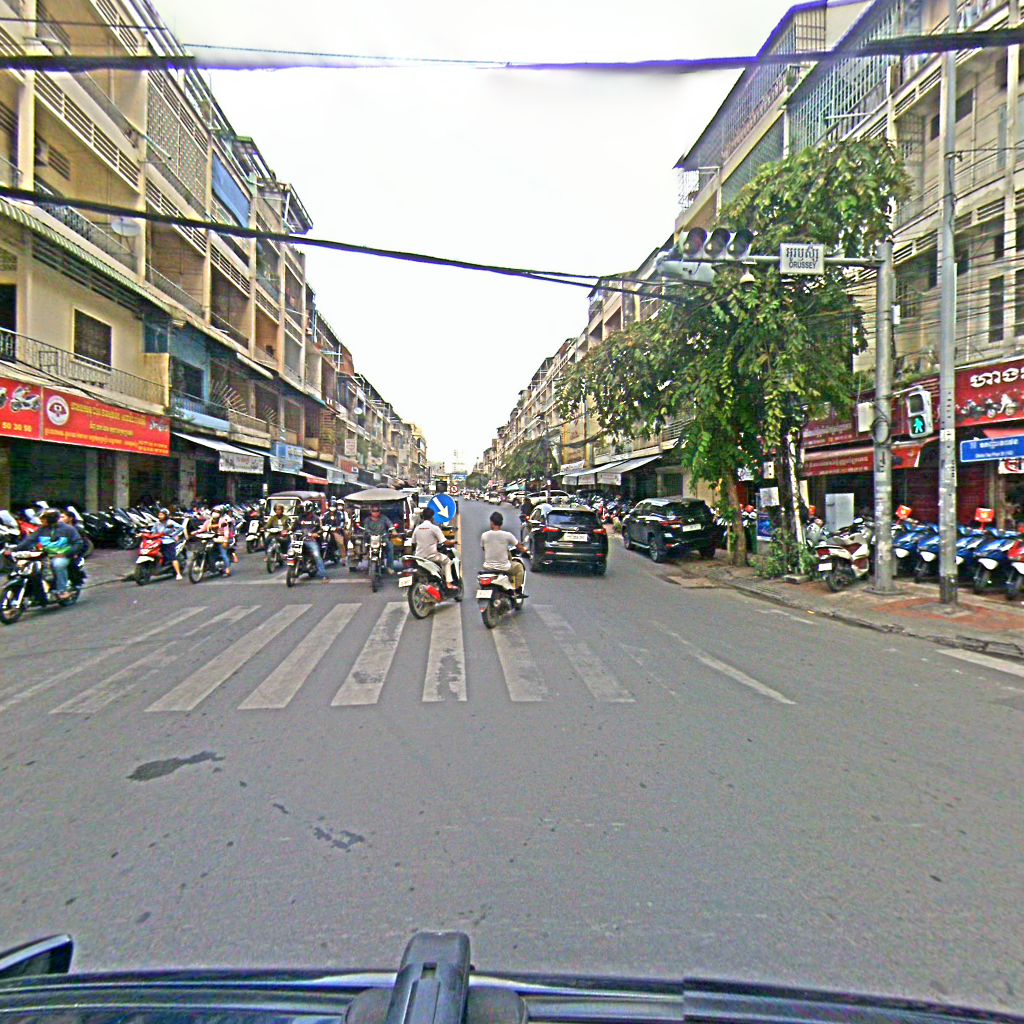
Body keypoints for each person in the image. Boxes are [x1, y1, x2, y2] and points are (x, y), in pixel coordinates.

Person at [13, 507, 82, 599]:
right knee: (29, 566)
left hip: (63, 555)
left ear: (50, 519)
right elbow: (30, 540)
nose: (41, 520)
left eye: (43, 519)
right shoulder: (41, 529)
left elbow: (78, 543)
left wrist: (67, 553)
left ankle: (62, 591)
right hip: (45, 555)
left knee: (58, 565)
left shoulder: (68, 529)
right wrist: (15, 549)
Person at [481, 510, 528, 595]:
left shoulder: (484, 535)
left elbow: (483, 548)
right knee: (519, 567)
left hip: (488, 567)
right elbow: (519, 547)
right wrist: (525, 550)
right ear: (501, 523)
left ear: (491, 522)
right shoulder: (507, 535)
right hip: (503, 567)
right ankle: (517, 591)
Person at [412, 506, 455, 587]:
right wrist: (453, 542)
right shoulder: (434, 528)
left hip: (419, 557)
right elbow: (445, 542)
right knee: (447, 561)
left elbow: (413, 543)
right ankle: (448, 583)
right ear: (432, 517)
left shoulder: (417, 528)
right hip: (432, 556)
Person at [295, 500, 328, 580]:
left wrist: (315, 534)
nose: (302, 510)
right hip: (299, 540)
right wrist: (287, 531)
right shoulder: (299, 518)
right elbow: (293, 527)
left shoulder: (316, 518)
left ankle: (323, 575)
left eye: (303, 508)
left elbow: (320, 529)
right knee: (291, 551)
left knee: (316, 555)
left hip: (310, 540)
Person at [152, 508, 184, 580]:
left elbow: (181, 528)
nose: (160, 516)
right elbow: (153, 531)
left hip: (168, 541)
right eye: (159, 515)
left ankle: (178, 573)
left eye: (162, 515)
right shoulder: (157, 523)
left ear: (166, 516)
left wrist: (173, 534)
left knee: (172, 557)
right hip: (158, 541)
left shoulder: (170, 522)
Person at [362, 503, 395, 572]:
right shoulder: (367, 520)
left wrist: (393, 530)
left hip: (382, 538)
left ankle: (389, 567)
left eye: (377, 511)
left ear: (379, 512)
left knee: (390, 547)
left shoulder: (384, 518)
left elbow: (390, 524)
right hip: (371, 538)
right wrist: (369, 533)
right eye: (373, 511)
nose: (375, 512)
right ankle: (366, 555)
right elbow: (366, 528)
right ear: (370, 512)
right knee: (363, 544)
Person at [202, 509, 233, 576]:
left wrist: (225, 540)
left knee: (223, 554)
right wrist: (195, 533)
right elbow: (202, 529)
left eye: (217, 512)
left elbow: (226, 531)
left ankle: (227, 570)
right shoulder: (208, 522)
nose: (215, 514)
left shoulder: (223, 521)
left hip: (221, 539)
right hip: (210, 539)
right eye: (214, 512)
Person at [321, 499, 346, 563]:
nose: (332, 508)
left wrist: (338, 527)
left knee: (340, 542)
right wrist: (321, 526)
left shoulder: (339, 514)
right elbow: (321, 521)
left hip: (336, 531)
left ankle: (343, 558)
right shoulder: (326, 514)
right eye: (331, 506)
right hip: (326, 531)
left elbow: (342, 522)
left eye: (333, 506)